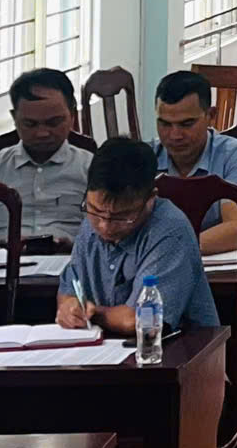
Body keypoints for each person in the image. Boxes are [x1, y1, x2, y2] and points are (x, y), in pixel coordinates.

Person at [58, 138, 220, 334]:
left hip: (178, 348)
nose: (105, 226)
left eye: (122, 216)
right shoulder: (91, 223)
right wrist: (69, 308)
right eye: (95, 210)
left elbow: (140, 320)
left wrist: (92, 314)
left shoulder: (170, 230)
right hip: (105, 346)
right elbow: (68, 290)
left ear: (151, 198)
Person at [0, 67, 90, 247]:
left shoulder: (92, 171)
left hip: (71, 260)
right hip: (1, 261)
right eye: (30, 124)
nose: (42, 133)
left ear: (72, 116)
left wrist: (73, 247)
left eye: (53, 122)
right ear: (14, 118)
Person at [151, 70, 237, 256]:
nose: (175, 135)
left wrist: (172, 249)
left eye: (187, 124)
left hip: (228, 270)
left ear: (211, 115)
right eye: (165, 124)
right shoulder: (145, 159)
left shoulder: (234, 156)